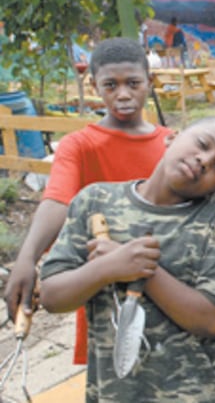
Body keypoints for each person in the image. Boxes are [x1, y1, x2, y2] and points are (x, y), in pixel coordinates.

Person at [39, 116, 215, 402]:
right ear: (172, 137)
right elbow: (52, 297)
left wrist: (145, 272)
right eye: (202, 144)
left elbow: (212, 320)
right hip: (120, 391)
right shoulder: (95, 201)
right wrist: (105, 268)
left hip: (204, 392)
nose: (204, 161)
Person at [3, 37, 174, 365]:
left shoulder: (173, 144)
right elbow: (57, 200)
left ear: (149, 83)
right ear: (94, 85)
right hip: (104, 283)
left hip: (165, 278)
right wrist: (27, 258)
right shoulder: (79, 146)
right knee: (112, 371)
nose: (122, 94)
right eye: (110, 85)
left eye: (133, 83)